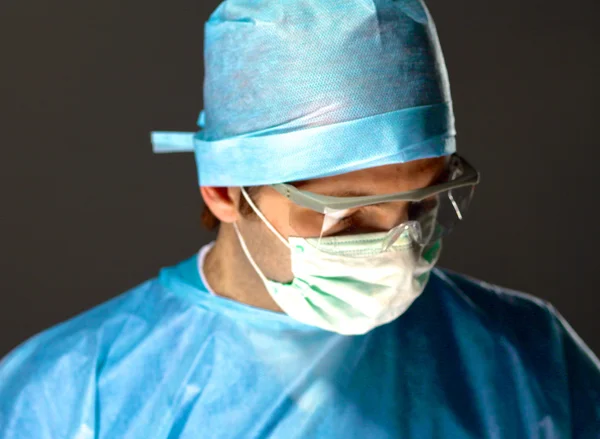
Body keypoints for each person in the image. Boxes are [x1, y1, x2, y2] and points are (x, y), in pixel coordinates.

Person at [1, 0, 599, 437]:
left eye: (421, 205)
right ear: (225, 192)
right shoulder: (74, 393)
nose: (397, 250)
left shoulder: (526, 357)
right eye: (347, 215)